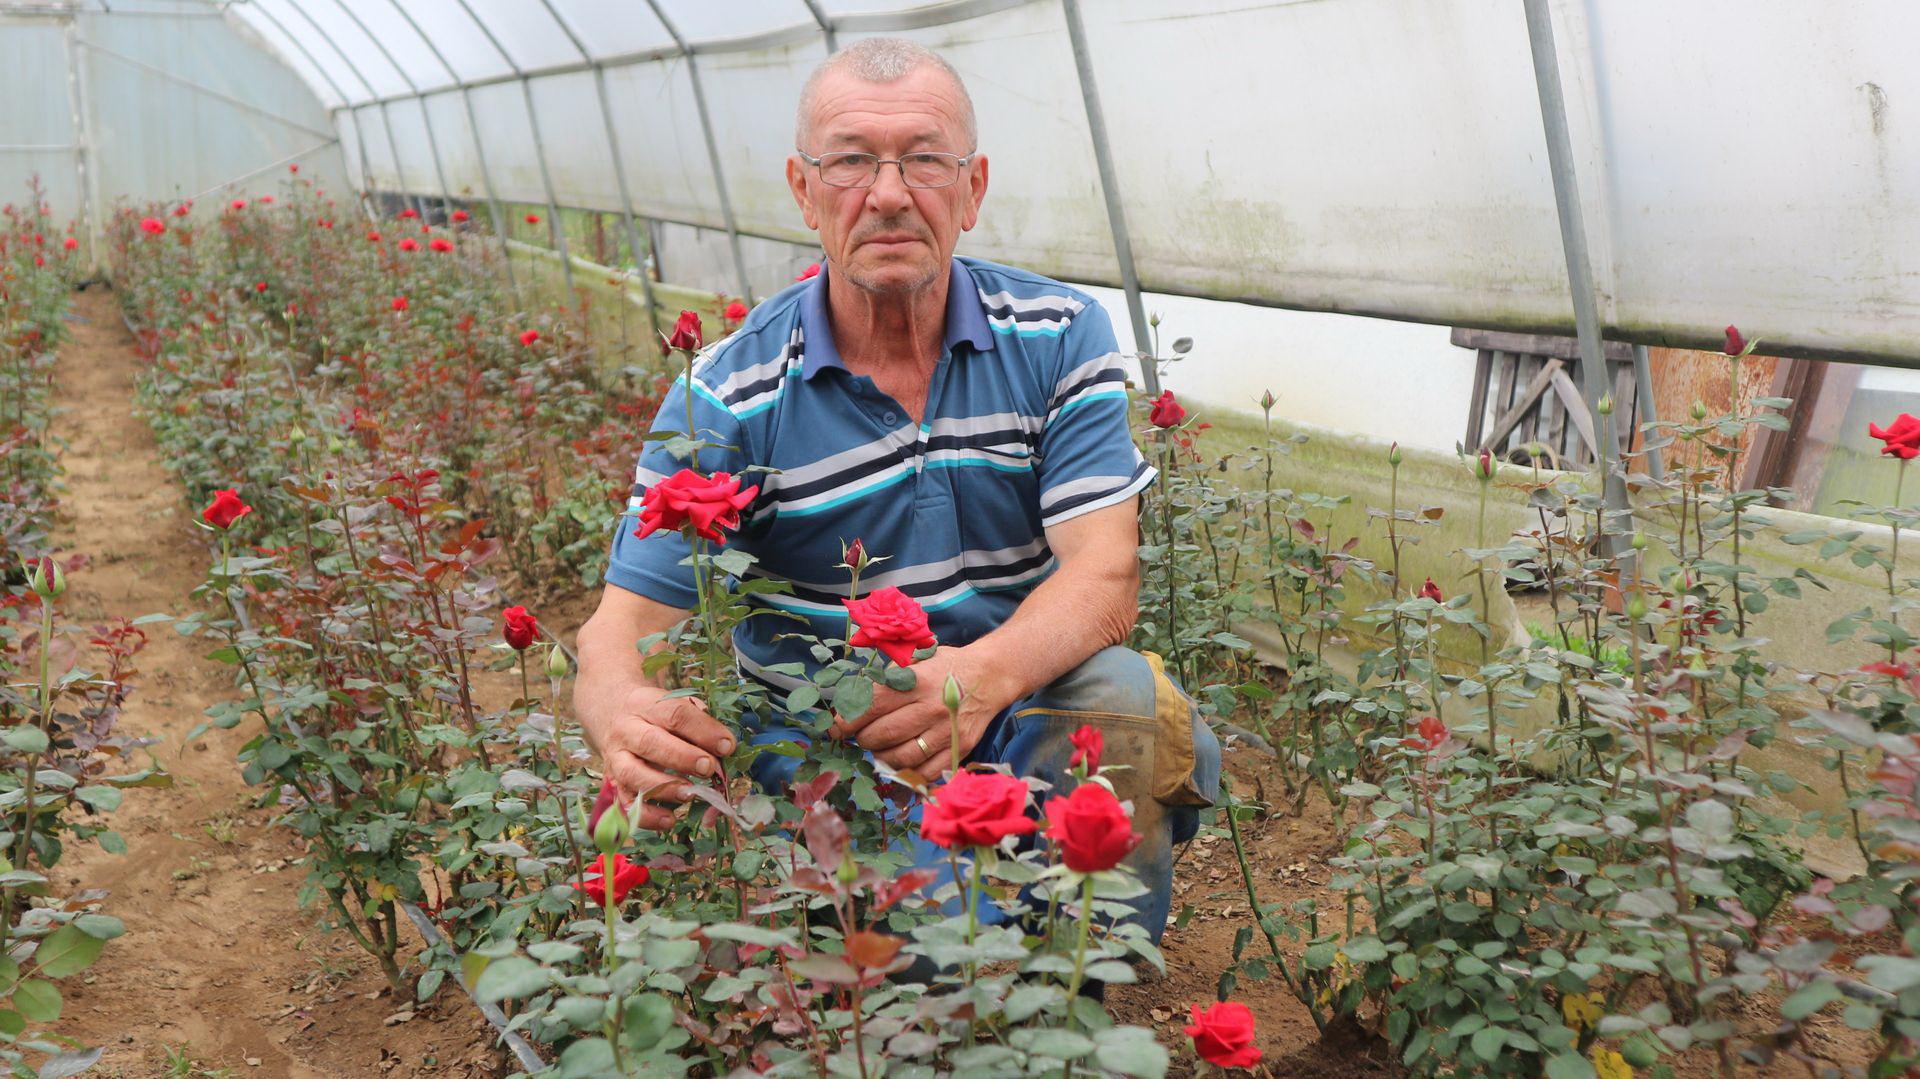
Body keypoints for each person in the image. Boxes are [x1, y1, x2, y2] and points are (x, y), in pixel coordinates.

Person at [573, 37, 1219, 941]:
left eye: (924, 159)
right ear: (803, 191)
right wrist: (620, 711)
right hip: (830, 747)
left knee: (1123, 703)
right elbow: (616, 627)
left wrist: (972, 682)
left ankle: (1084, 988)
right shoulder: (731, 393)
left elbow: (1104, 573)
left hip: (1012, 706)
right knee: (921, 964)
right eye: (849, 161)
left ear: (973, 188)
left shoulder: (1058, 333)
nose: (887, 193)